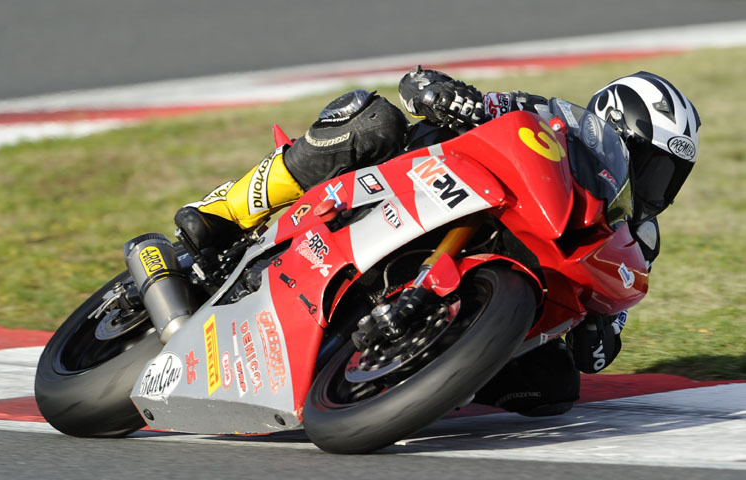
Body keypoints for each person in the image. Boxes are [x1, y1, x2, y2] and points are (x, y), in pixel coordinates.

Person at [174, 67, 700, 417]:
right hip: (421, 188)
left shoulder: (637, 239)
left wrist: (601, 330)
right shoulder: (546, 117)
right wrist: (449, 97)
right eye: (655, 165)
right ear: (612, 128)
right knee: (373, 118)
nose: (660, 187)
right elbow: (431, 88)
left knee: (557, 387)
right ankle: (224, 209)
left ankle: (426, 378)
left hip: (493, 278)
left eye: (671, 176)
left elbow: (602, 340)